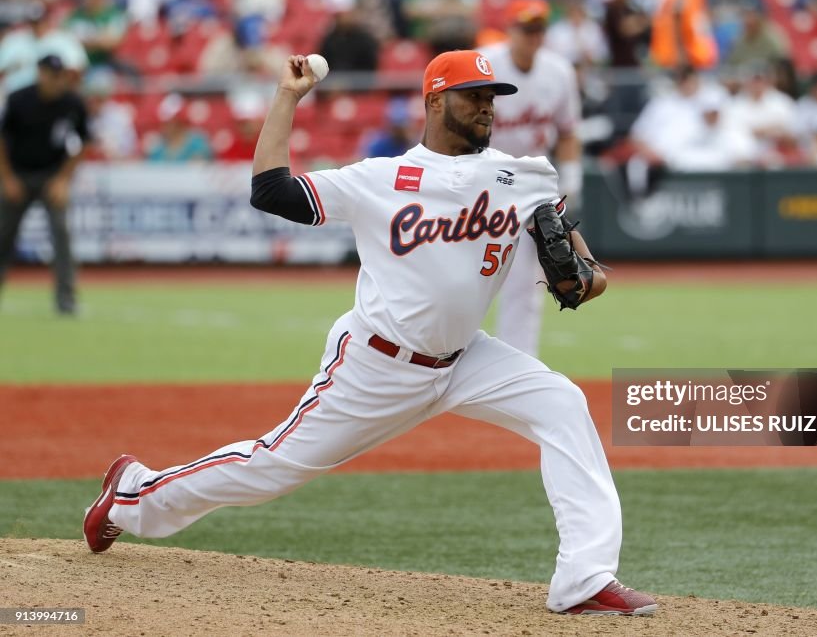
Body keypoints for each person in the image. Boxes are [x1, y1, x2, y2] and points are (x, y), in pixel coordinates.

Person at [82, 49, 657, 617]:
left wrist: (587, 279)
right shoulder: (378, 179)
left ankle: (584, 578)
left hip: (466, 359)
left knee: (562, 404)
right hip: (377, 364)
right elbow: (270, 190)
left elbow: (585, 274)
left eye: (491, 97)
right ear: (435, 100)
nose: (487, 107)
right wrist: (287, 97)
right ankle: (134, 492)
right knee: (271, 468)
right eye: (473, 96)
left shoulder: (522, 176)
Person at [478, 0, 583, 358]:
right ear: (510, 29)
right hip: (483, 182)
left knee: (526, 283)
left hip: (530, 190)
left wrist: (570, 179)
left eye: (539, 29)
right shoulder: (485, 63)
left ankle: (517, 361)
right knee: (465, 276)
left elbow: (568, 132)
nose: (533, 37)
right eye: (527, 29)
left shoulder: (559, 72)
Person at [0, 54, 90, 315]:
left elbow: (85, 142)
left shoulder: (72, 102)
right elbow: (2, 140)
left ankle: (66, 301)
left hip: (51, 176)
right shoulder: (19, 99)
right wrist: (7, 179)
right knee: (3, 236)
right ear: (39, 74)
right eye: (48, 74)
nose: (52, 80)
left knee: (62, 234)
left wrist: (63, 179)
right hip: (19, 174)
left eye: (57, 75)